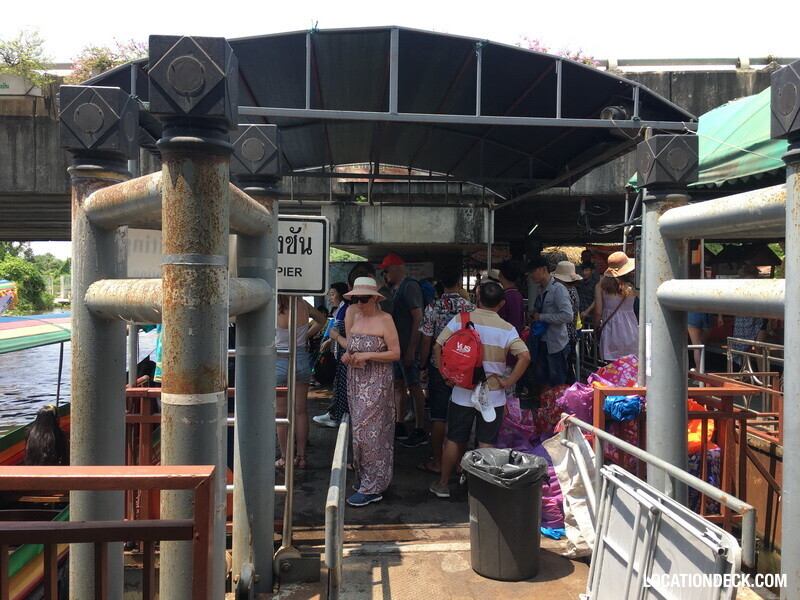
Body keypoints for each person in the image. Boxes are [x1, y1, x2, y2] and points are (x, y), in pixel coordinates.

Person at [429, 281, 531, 498]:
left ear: (477, 298)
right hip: (493, 396)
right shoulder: (507, 329)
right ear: (501, 303)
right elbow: (525, 356)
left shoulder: (461, 320)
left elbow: (438, 346)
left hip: (462, 392)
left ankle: (443, 484)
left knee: (455, 439)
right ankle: (480, 491)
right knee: (486, 441)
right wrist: (508, 381)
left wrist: (445, 374)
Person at [328, 277, 400, 506]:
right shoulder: (356, 317)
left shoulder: (385, 319)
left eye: (364, 298)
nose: (359, 303)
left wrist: (367, 356)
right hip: (356, 380)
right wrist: (349, 355)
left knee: (371, 433)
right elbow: (350, 347)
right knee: (359, 432)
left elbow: (395, 353)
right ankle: (366, 478)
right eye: (356, 298)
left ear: (375, 298)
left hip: (377, 383)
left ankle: (373, 486)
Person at [415, 264, 475, 472]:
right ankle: (458, 463)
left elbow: (426, 340)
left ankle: (438, 462)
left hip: (439, 366)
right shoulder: (469, 308)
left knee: (438, 415)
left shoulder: (433, 307)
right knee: (462, 413)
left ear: (441, 284)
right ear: (459, 283)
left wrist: (423, 364)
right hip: (464, 368)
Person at [379, 253, 428, 446]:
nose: (385, 274)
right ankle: (399, 423)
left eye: (387, 270)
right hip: (397, 347)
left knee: (414, 386)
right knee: (399, 384)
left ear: (398, 268)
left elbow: (418, 318)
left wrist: (411, 349)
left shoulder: (410, 287)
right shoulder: (395, 289)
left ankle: (419, 428)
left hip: (407, 347)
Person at [275, 295, 328, 469]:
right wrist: (306, 336)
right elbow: (322, 320)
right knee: (300, 411)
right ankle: (302, 456)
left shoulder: (274, 306)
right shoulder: (303, 304)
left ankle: (285, 457)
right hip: (301, 358)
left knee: (281, 413)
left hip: (280, 359)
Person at [528, 254, 574, 387]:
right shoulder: (540, 289)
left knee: (557, 382)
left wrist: (541, 317)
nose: (531, 275)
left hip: (556, 344)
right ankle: (546, 406)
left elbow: (567, 316)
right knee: (543, 380)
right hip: (542, 341)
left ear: (543, 269)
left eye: (533, 271)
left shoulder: (558, 289)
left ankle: (557, 407)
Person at [594, 251, 639, 362]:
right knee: (630, 370)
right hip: (630, 331)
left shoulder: (600, 286)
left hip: (610, 332)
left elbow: (598, 311)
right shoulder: (632, 286)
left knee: (612, 369)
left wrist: (595, 329)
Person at [731, 264, 767, 369]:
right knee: (745, 347)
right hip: (743, 318)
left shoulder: (762, 287)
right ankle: (746, 373)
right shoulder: (738, 288)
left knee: (758, 346)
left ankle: (764, 376)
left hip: (760, 318)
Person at [552, 261, 583, 382]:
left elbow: (566, 316)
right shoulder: (574, 291)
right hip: (572, 335)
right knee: (569, 370)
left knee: (562, 374)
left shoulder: (564, 292)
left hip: (563, 338)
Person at [497, 260, 525, 334]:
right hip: (516, 336)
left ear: (501, 275)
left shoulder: (503, 296)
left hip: (505, 336)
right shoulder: (519, 295)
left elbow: (500, 320)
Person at [578, 262, 600, 327]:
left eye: (587, 270)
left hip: (590, 315)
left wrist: (586, 312)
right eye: (583, 270)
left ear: (592, 271)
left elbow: (595, 300)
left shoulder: (596, 284)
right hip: (581, 313)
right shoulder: (581, 282)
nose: (584, 273)